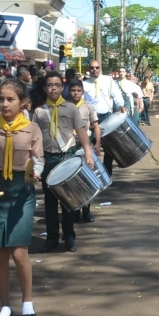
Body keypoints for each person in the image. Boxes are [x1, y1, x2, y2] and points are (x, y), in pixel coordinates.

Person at [0, 80, 44, 316]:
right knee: (0, 252)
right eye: (2, 99)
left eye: (11, 99)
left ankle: (27, 302)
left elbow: (38, 160)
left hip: (22, 191)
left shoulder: (32, 129)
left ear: (22, 103)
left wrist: (36, 172)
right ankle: (5, 305)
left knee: (19, 252)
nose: (5, 104)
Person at [32, 71, 94, 253]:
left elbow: (81, 131)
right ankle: (51, 237)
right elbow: (34, 138)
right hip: (48, 158)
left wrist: (88, 153)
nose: (53, 88)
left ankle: (69, 236)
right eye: (49, 85)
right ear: (44, 88)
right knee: (50, 201)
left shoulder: (70, 108)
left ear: (62, 87)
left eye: (57, 85)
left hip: (67, 157)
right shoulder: (38, 111)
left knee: (68, 201)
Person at [82, 61, 125, 177]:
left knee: (108, 148)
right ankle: (93, 174)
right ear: (89, 69)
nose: (94, 69)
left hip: (106, 118)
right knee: (88, 147)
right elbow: (81, 102)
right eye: (92, 68)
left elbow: (116, 94)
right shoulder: (84, 84)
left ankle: (107, 174)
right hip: (90, 120)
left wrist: (121, 105)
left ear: (100, 68)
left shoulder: (108, 80)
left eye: (97, 67)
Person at [68, 79, 101, 223]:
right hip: (70, 147)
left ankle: (86, 211)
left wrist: (98, 143)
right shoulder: (65, 107)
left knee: (87, 180)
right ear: (69, 91)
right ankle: (75, 210)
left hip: (85, 147)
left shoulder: (88, 107)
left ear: (82, 92)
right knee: (73, 181)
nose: (75, 93)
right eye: (73, 90)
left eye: (78, 91)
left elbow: (96, 126)